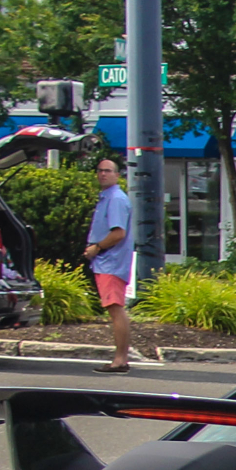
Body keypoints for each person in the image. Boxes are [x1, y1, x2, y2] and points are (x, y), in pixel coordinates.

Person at [83, 156, 135, 373]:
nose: (103, 173)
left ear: (117, 175)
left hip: (111, 263)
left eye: (108, 170)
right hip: (107, 262)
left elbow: (118, 233)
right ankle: (120, 358)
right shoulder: (108, 197)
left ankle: (120, 360)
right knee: (114, 309)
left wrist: (97, 248)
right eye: (100, 170)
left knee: (116, 309)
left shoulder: (115, 199)